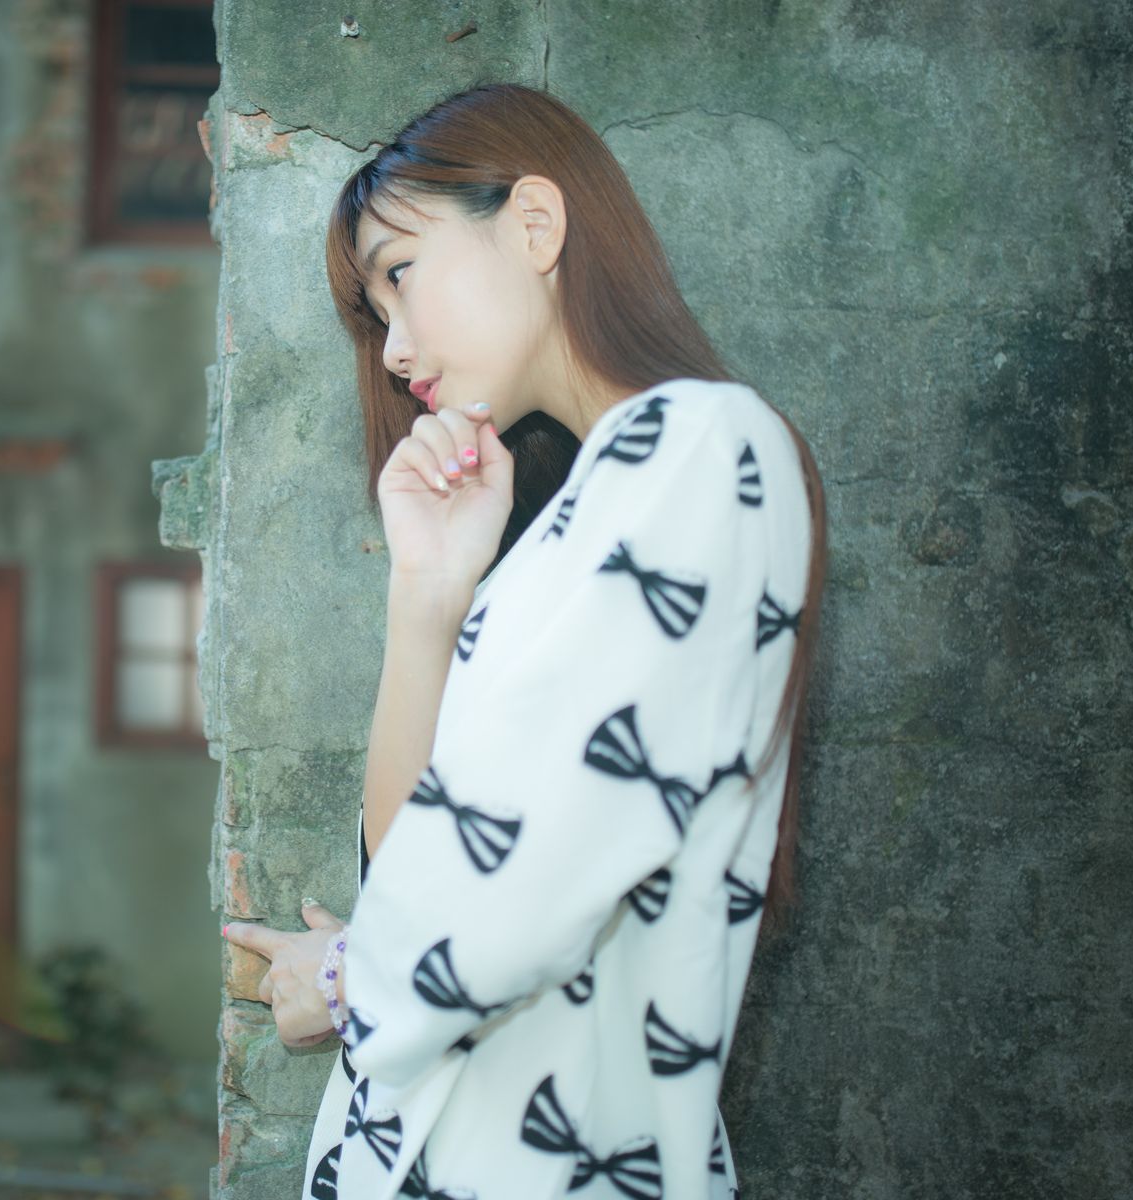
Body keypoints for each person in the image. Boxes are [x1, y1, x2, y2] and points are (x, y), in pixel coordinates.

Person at [221, 81, 827, 1200]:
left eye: (401, 273)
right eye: (375, 314)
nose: (394, 349)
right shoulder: (570, 521)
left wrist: (346, 979)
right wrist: (427, 596)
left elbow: (511, 906)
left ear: (536, 225)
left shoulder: (702, 445)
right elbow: (415, 872)